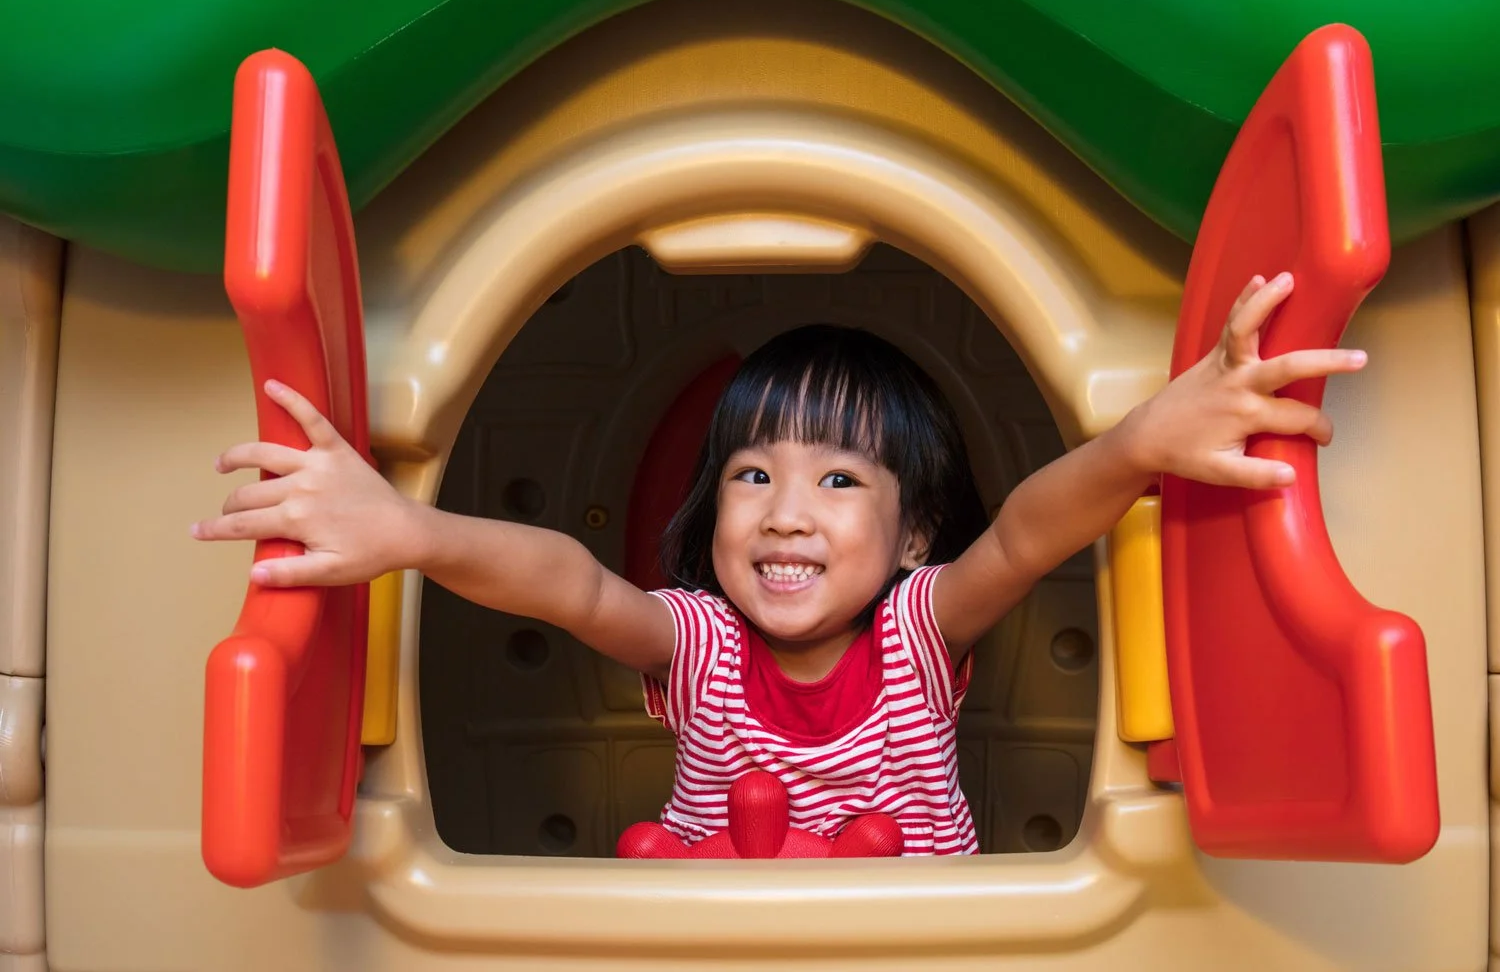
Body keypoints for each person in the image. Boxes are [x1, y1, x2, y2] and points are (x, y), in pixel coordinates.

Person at [192, 272, 1361, 855]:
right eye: (753, 475)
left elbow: (1024, 532)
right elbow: (570, 583)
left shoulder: (916, 628)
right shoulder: (699, 641)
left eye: (840, 479)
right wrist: (411, 530)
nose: (786, 513)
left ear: (910, 537)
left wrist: (1138, 444)